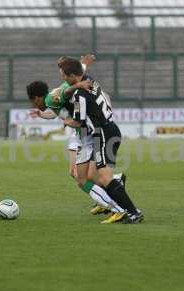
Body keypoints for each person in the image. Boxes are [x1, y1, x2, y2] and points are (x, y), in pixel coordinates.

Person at [60, 57, 144, 224]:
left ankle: (133, 212)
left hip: (102, 134)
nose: (62, 78)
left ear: (72, 76)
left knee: (104, 178)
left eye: (63, 75)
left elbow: (78, 122)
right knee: (92, 174)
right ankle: (118, 184)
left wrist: (66, 121)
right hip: (110, 129)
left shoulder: (79, 95)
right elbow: (81, 72)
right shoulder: (89, 80)